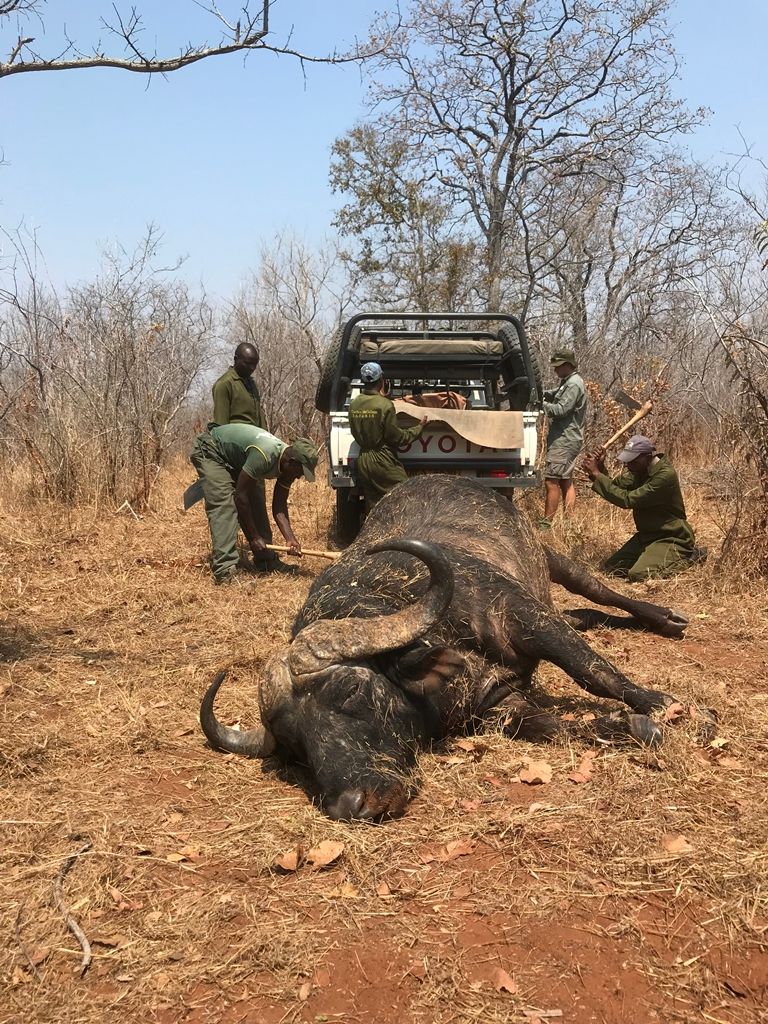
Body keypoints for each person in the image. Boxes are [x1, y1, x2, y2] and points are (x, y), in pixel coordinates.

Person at [190, 423, 318, 585]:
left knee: (256, 499)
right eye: (301, 472)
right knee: (224, 504)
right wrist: (254, 538)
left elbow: (279, 505)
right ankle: (225, 571)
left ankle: (266, 560)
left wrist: (290, 539)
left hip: (238, 460)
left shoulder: (288, 466)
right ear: (292, 462)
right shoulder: (264, 455)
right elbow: (240, 498)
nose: (299, 477)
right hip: (212, 451)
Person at [582, 435, 697, 582]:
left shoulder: (664, 476)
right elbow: (614, 487)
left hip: (671, 536)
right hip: (646, 536)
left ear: (647, 457)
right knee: (612, 568)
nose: (629, 466)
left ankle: (689, 556)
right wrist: (599, 468)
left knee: (638, 574)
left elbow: (627, 500)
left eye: (633, 461)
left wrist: (596, 474)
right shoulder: (638, 471)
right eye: (627, 461)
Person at [210, 342, 276, 567]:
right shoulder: (224, 385)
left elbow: (258, 418)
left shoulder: (251, 383)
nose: (252, 368)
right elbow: (220, 429)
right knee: (239, 506)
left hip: (257, 451)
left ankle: (266, 556)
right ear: (236, 359)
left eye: (255, 364)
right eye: (248, 364)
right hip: (238, 454)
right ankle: (233, 559)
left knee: (259, 504)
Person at [348, 362, 427, 508]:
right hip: (382, 460)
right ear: (381, 380)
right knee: (405, 494)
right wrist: (419, 428)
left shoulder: (354, 404)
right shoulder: (384, 405)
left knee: (373, 504)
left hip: (363, 461)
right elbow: (396, 437)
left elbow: (355, 430)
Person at [540, 347, 587, 527]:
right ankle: (568, 526)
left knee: (551, 481)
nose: (556, 370)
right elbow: (556, 393)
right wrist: (542, 393)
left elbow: (561, 410)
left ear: (568, 365)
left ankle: (546, 525)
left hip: (564, 440)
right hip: (567, 438)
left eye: (558, 366)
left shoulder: (573, 384)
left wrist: (541, 404)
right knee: (566, 481)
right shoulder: (568, 382)